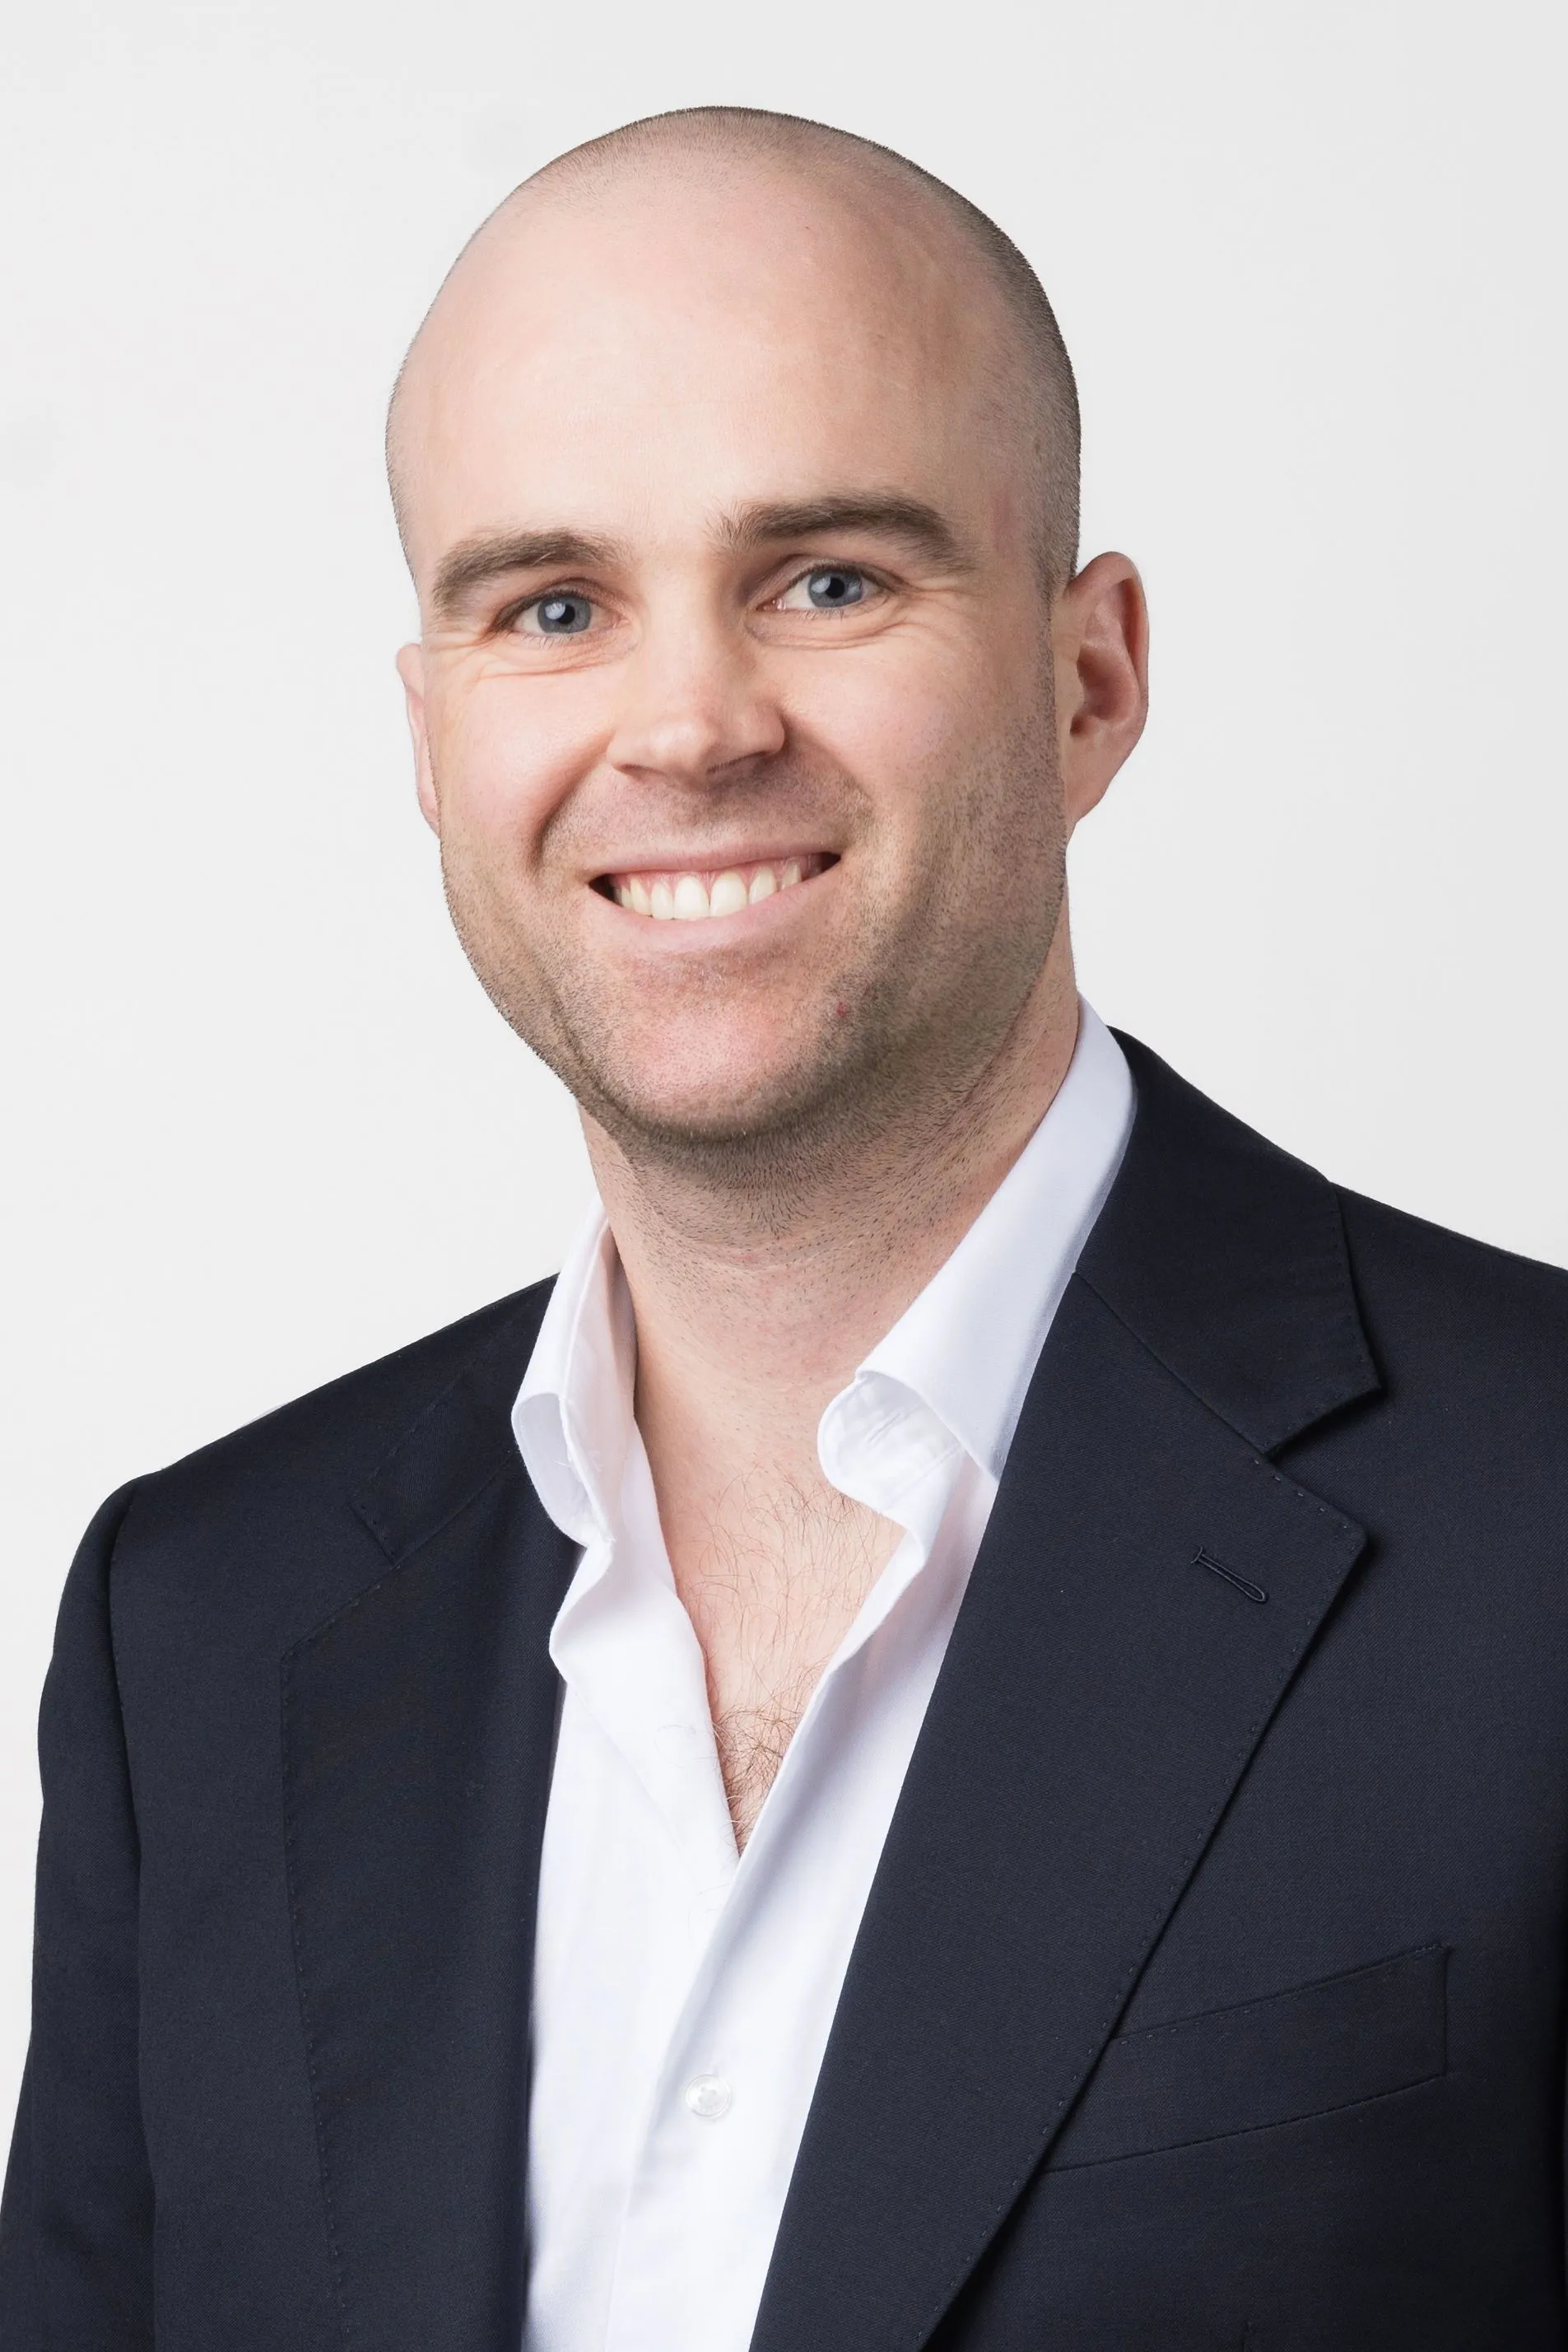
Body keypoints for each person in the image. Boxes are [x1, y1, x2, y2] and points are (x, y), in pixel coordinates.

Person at [3, 101, 1567, 2352]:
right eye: (554, 607)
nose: (688, 727)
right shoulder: (202, 1630)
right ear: (432, 742)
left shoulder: (1537, 1536)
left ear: (1091, 677)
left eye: (827, 579)